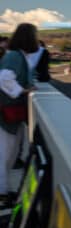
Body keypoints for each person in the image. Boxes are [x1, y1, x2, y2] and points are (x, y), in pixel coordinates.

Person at [0, 23, 38, 204]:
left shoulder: (16, 55)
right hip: (7, 112)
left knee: (8, 154)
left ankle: (4, 191)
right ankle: (2, 193)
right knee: (5, 155)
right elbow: (4, 78)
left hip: (11, 112)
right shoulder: (15, 56)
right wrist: (23, 91)